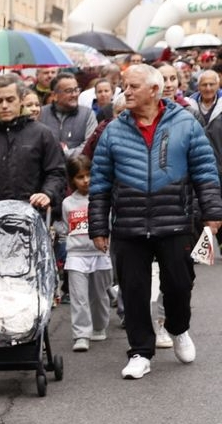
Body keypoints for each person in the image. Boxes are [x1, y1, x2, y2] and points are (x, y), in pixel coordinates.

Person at [89, 63, 222, 380]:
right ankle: (140, 351)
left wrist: (213, 214)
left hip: (175, 221)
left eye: (133, 86)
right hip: (129, 225)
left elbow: (205, 172)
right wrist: (98, 226)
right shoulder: (114, 130)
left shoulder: (185, 124)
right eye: (125, 86)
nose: (126, 92)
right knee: (133, 291)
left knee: (179, 284)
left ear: (154, 89)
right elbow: (100, 182)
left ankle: (178, 328)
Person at [0, 73, 66, 219]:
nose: (4, 106)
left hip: (33, 218)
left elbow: (57, 172)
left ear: (21, 100)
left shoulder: (42, 134)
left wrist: (47, 193)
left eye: (10, 100)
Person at [57, 155, 111, 353]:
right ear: (72, 179)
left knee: (100, 294)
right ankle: (81, 334)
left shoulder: (102, 198)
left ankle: (99, 326)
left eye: (89, 175)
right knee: (79, 296)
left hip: (100, 253)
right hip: (76, 254)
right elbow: (65, 227)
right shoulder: (67, 203)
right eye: (80, 177)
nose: (86, 180)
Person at [38, 73, 98, 158]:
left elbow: (89, 144)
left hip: (75, 167)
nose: (74, 95)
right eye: (69, 91)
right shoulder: (41, 114)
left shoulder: (87, 114)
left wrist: (63, 155)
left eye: (76, 90)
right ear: (54, 95)